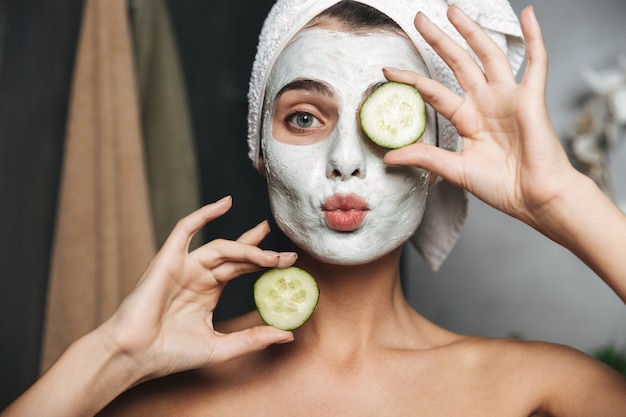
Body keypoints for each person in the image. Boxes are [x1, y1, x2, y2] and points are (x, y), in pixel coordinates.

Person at [3, 1, 626, 416]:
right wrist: (112, 353)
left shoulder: (540, 394)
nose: (346, 159)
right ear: (259, 150)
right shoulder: (153, 398)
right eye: (304, 117)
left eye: (385, 117)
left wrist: (562, 198)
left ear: (441, 155)